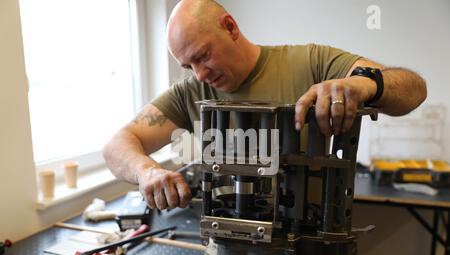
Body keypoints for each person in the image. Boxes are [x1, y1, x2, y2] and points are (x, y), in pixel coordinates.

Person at [103, 0, 427, 212]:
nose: (200, 73)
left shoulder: (311, 62)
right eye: (188, 66)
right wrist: (146, 171)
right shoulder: (191, 92)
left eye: (202, 56)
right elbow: (118, 145)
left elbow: (413, 89)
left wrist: (362, 84)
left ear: (230, 27)